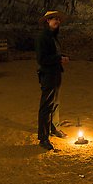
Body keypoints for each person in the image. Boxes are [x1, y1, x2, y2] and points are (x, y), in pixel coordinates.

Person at [35, 10, 70, 151]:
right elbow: (42, 59)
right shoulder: (42, 37)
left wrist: (61, 56)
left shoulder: (53, 37)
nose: (57, 21)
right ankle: (43, 138)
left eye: (58, 19)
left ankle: (54, 128)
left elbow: (53, 54)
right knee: (46, 106)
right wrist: (59, 59)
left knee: (55, 103)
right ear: (47, 21)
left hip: (55, 73)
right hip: (48, 74)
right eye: (53, 19)